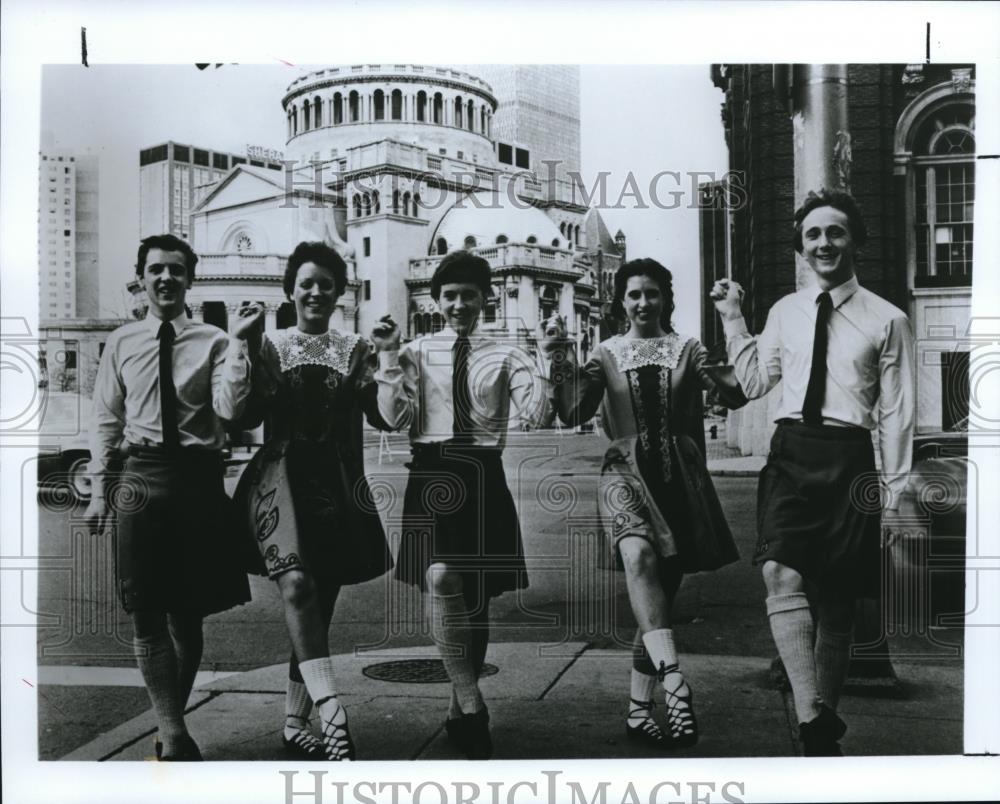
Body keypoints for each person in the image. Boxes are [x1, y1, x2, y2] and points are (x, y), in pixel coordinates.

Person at [711, 189, 915, 756]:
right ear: (800, 249)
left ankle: (823, 722)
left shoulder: (889, 319)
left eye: (835, 233)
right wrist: (733, 318)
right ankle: (811, 715)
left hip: (850, 458)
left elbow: (898, 413)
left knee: (839, 599)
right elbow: (753, 383)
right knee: (779, 572)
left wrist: (895, 495)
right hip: (791, 452)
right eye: (812, 236)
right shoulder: (785, 311)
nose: (823, 243)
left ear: (857, 241)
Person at [544, 258, 745, 751]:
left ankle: (639, 711)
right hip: (622, 475)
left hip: (680, 482)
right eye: (633, 294)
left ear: (665, 299)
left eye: (651, 293)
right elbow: (572, 409)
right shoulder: (606, 353)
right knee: (638, 557)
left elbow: (737, 393)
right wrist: (558, 355)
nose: (642, 302)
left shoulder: (687, 350)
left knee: (655, 607)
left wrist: (731, 317)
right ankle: (675, 683)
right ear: (621, 302)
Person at [217, 241, 400, 761]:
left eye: (326, 283)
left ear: (340, 292)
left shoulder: (358, 348)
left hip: (340, 490)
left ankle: (296, 722)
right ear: (291, 290)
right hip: (281, 482)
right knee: (296, 584)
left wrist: (388, 354)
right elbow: (238, 416)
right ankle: (333, 713)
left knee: (318, 609)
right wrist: (242, 347)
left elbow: (389, 417)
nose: (316, 291)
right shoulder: (269, 346)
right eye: (306, 282)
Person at [373, 250, 553, 759]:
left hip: (481, 473)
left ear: (484, 299)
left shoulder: (506, 352)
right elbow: (389, 420)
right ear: (437, 299)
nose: (458, 304)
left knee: (473, 602)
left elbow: (537, 415)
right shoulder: (413, 350)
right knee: (442, 577)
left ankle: (458, 709)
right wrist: (387, 358)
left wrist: (545, 357)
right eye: (449, 295)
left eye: (468, 295)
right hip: (431, 471)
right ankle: (473, 703)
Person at [84, 234, 251, 761]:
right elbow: (106, 420)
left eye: (176, 270)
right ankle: (175, 734)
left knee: (187, 616)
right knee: (146, 611)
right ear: (142, 278)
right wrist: (98, 491)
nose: (166, 279)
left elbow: (231, 411)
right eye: (156, 270)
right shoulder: (122, 341)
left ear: (189, 280)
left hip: (197, 482)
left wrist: (242, 343)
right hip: (140, 479)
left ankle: (168, 722)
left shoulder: (214, 340)